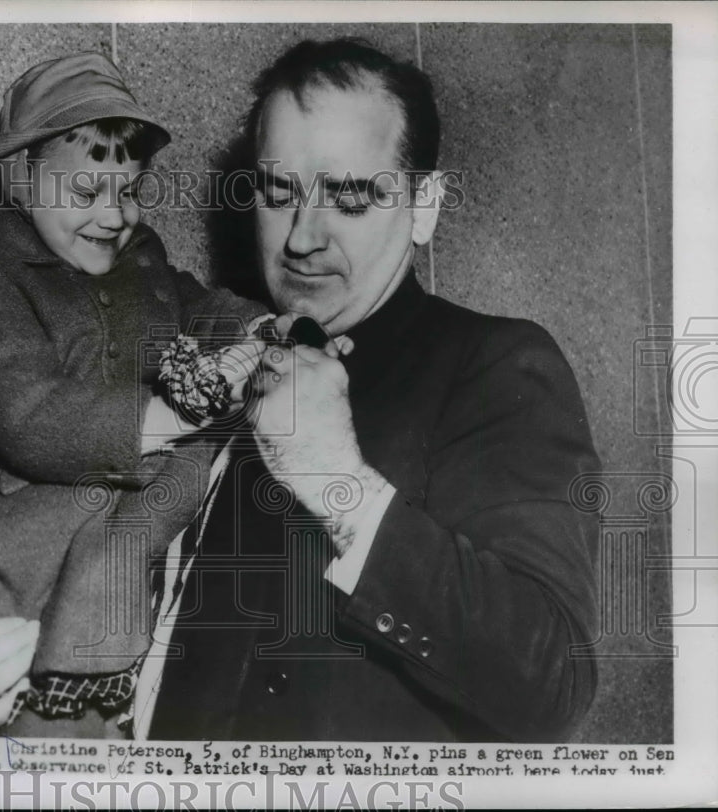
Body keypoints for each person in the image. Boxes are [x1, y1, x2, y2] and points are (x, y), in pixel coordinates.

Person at [134, 38, 602, 742]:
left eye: (349, 196)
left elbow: (552, 684)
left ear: (424, 206)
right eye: (278, 193)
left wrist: (339, 485)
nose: (301, 239)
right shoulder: (222, 364)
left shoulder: (493, 364)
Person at [0, 53, 268, 738]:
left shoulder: (148, 265)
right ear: (21, 179)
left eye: (131, 189)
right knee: (22, 702)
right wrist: (168, 417)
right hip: (29, 541)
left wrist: (267, 327)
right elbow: (29, 415)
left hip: (137, 540)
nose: (116, 215)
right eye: (88, 193)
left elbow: (205, 307)